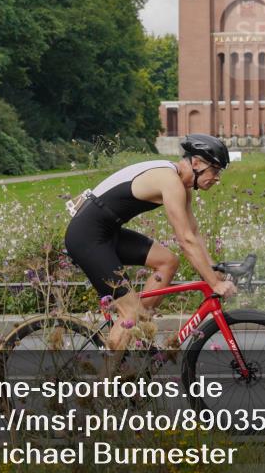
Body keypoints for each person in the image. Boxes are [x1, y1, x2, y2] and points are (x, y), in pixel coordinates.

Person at [63, 134, 237, 351]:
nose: (217, 177)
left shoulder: (180, 184)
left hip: (107, 233)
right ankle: (104, 382)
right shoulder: (170, 181)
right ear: (197, 163)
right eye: (215, 170)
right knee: (130, 313)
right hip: (87, 237)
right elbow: (184, 239)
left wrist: (213, 270)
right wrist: (214, 284)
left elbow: (193, 233)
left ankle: (138, 335)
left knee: (168, 262)